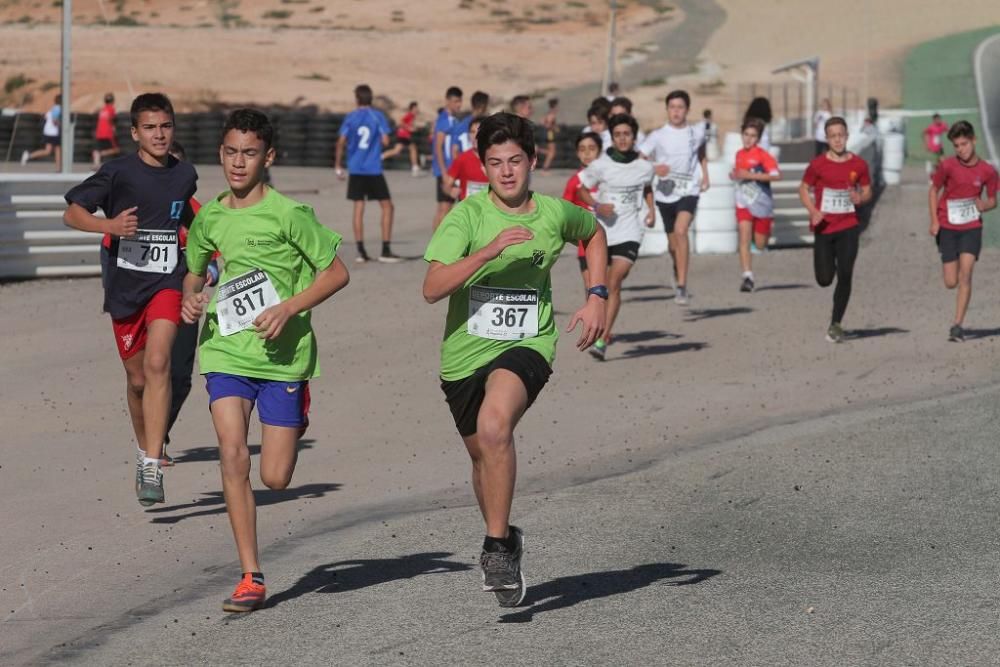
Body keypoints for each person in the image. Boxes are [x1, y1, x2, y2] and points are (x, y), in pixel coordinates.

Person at [422, 112, 608, 608]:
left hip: (528, 343)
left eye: (516, 161)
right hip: (463, 354)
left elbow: (593, 234)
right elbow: (432, 288)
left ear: (532, 161)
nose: (506, 172)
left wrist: (597, 295)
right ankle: (504, 537)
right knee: (484, 458)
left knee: (495, 427)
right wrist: (485, 253)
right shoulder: (466, 216)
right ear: (483, 165)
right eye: (495, 163)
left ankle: (495, 548)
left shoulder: (553, 212)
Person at [182, 108, 350, 613]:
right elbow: (194, 277)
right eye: (231, 151)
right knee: (233, 454)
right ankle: (251, 575)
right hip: (226, 350)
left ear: (268, 157)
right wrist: (193, 298)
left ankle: (297, 412)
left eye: (249, 153)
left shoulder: (290, 214)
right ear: (221, 153)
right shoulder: (209, 216)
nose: (238, 162)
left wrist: (288, 308)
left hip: (283, 358)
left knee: (275, 477)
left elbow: (336, 273)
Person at [63, 92, 198, 505]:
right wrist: (110, 224)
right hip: (125, 291)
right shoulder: (118, 173)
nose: (160, 134)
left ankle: (152, 465)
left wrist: (209, 255)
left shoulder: (185, 174)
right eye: (151, 128)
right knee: (137, 380)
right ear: (135, 132)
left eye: (166, 126)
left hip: (166, 284)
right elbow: (72, 213)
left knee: (159, 364)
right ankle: (144, 450)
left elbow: (192, 217)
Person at [575, 114, 655, 360]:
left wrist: (651, 210)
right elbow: (582, 188)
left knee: (614, 281)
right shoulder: (601, 164)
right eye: (618, 134)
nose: (622, 139)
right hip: (603, 232)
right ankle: (598, 324)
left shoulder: (645, 166)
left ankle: (603, 338)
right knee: (598, 286)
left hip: (630, 231)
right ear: (612, 136)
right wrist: (598, 206)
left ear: (633, 136)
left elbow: (648, 188)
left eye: (627, 134)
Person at [799, 116, 873, 343]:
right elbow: (803, 188)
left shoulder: (858, 164)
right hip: (824, 228)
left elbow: (868, 190)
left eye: (841, 135)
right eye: (833, 136)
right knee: (824, 278)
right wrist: (813, 210)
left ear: (847, 136)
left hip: (849, 226)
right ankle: (827, 271)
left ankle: (836, 323)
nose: (838, 140)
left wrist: (859, 197)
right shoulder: (818, 165)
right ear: (827, 138)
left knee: (846, 273)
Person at [927, 120, 998, 341]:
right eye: (957, 145)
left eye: (964, 144)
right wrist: (934, 221)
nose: (961, 149)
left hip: (971, 228)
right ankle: (952, 265)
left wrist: (984, 206)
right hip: (947, 226)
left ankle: (957, 325)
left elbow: (993, 200)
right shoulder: (948, 166)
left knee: (966, 275)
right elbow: (933, 190)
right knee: (951, 282)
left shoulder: (987, 170)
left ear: (974, 141)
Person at [639, 89, 709, 305]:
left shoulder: (696, 132)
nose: (676, 111)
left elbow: (701, 150)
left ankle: (682, 285)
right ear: (667, 110)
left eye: (680, 107)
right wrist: (654, 167)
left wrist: (705, 175)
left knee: (681, 231)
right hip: (665, 192)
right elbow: (640, 159)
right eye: (672, 107)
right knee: (672, 244)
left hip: (689, 189)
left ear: (687, 110)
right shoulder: (657, 136)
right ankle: (677, 266)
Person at [334, 84, 402, 263]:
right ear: (370, 99)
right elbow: (386, 140)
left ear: (356, 99)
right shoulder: (377, 116)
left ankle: (361, 251)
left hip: (355, 168)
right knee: (387, 206)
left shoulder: (351, 117)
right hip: (373, 168)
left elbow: (341, 141)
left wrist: (338, 165)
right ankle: (385, 250)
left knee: (358, 208)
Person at [731, 117, 781, 292]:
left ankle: (764, 231)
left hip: (762, 203)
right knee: (744, 237)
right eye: (746, 134)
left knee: (760, 244)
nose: (748, 139)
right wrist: (735, 175)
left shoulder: (763, 156)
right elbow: (740, 174)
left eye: (752, 136)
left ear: (758, 139)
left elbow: (776, 176)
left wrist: (750, 176)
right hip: (743, 201)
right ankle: (747, 276)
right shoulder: (738, 154)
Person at [562, 131, 603, 294]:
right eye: (582, 149)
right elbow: (565, 210)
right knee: (592, 289)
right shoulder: (574, 181)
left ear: (600, 151)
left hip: (610, 240)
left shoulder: (608, 178)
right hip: (584, 245)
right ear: (577, 153)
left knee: (608, 287)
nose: (587, 153)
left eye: (591, 148)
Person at [432, 86, 463, 229]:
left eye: (460, 101)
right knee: (444, 209)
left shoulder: (454, 120)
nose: (459, 104)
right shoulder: (444, 120)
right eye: (456, 101)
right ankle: (435, 248)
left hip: (452, 170)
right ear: (448, 101)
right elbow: (438, 147)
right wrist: (444, 172)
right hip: (446, 171)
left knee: (447, 208)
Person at [443, 116, 488, 200]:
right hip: (468, 209)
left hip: (490, 210)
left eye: (479, 132)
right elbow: (446, 185)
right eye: (472, 132)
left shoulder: (496, 158)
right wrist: (450, 191)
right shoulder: (462, 158)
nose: (475, 136)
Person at [22, 94, 62, 168]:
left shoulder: (52, 109)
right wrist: (62, 125)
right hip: (53, 132)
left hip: (48, 131)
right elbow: (54, 120)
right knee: (56, 149)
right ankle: (58, 169)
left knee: (50, 150)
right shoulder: (58, 108)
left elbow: (45, 116)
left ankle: (29, 156)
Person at [381, 101, 421, 176]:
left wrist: (413, 128)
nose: (417, 110)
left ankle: (381, 157)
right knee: (412, 148)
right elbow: (401, 123)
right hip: (403, 135)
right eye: (415, 108)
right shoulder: (409, 115)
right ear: (411, 109)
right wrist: (409, 128)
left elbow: (408, 124)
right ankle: (415, 167)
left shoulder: (412, 116)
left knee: (397, 151)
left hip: (404, 136)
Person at [452, 90, 490, 158]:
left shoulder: (460, 125)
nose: (487, 110)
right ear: (482, 107)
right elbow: (455, 150)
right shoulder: (487, 125)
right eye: (486, 107)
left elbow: (454, 151)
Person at [92, 93, 121, 167]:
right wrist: (114, 129)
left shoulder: (102, 110)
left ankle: (96, 162)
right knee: (117, 150)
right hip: (108, 134)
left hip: (99, 133)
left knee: (97, 148)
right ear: (113, 101)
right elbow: (112, 120)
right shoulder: (111, 109)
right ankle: (100, 154)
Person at [540, 98, 559, 171]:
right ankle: (545, 168)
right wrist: (554, 128)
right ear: (555, 106)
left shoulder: (549, 113)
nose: (558, 108)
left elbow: (542, 121)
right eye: (557, 106)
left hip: (549, 133)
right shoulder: (551, 114)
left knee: (551, 152)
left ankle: (545, 167)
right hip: (550, 134)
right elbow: (547, 125)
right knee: (552, 152)